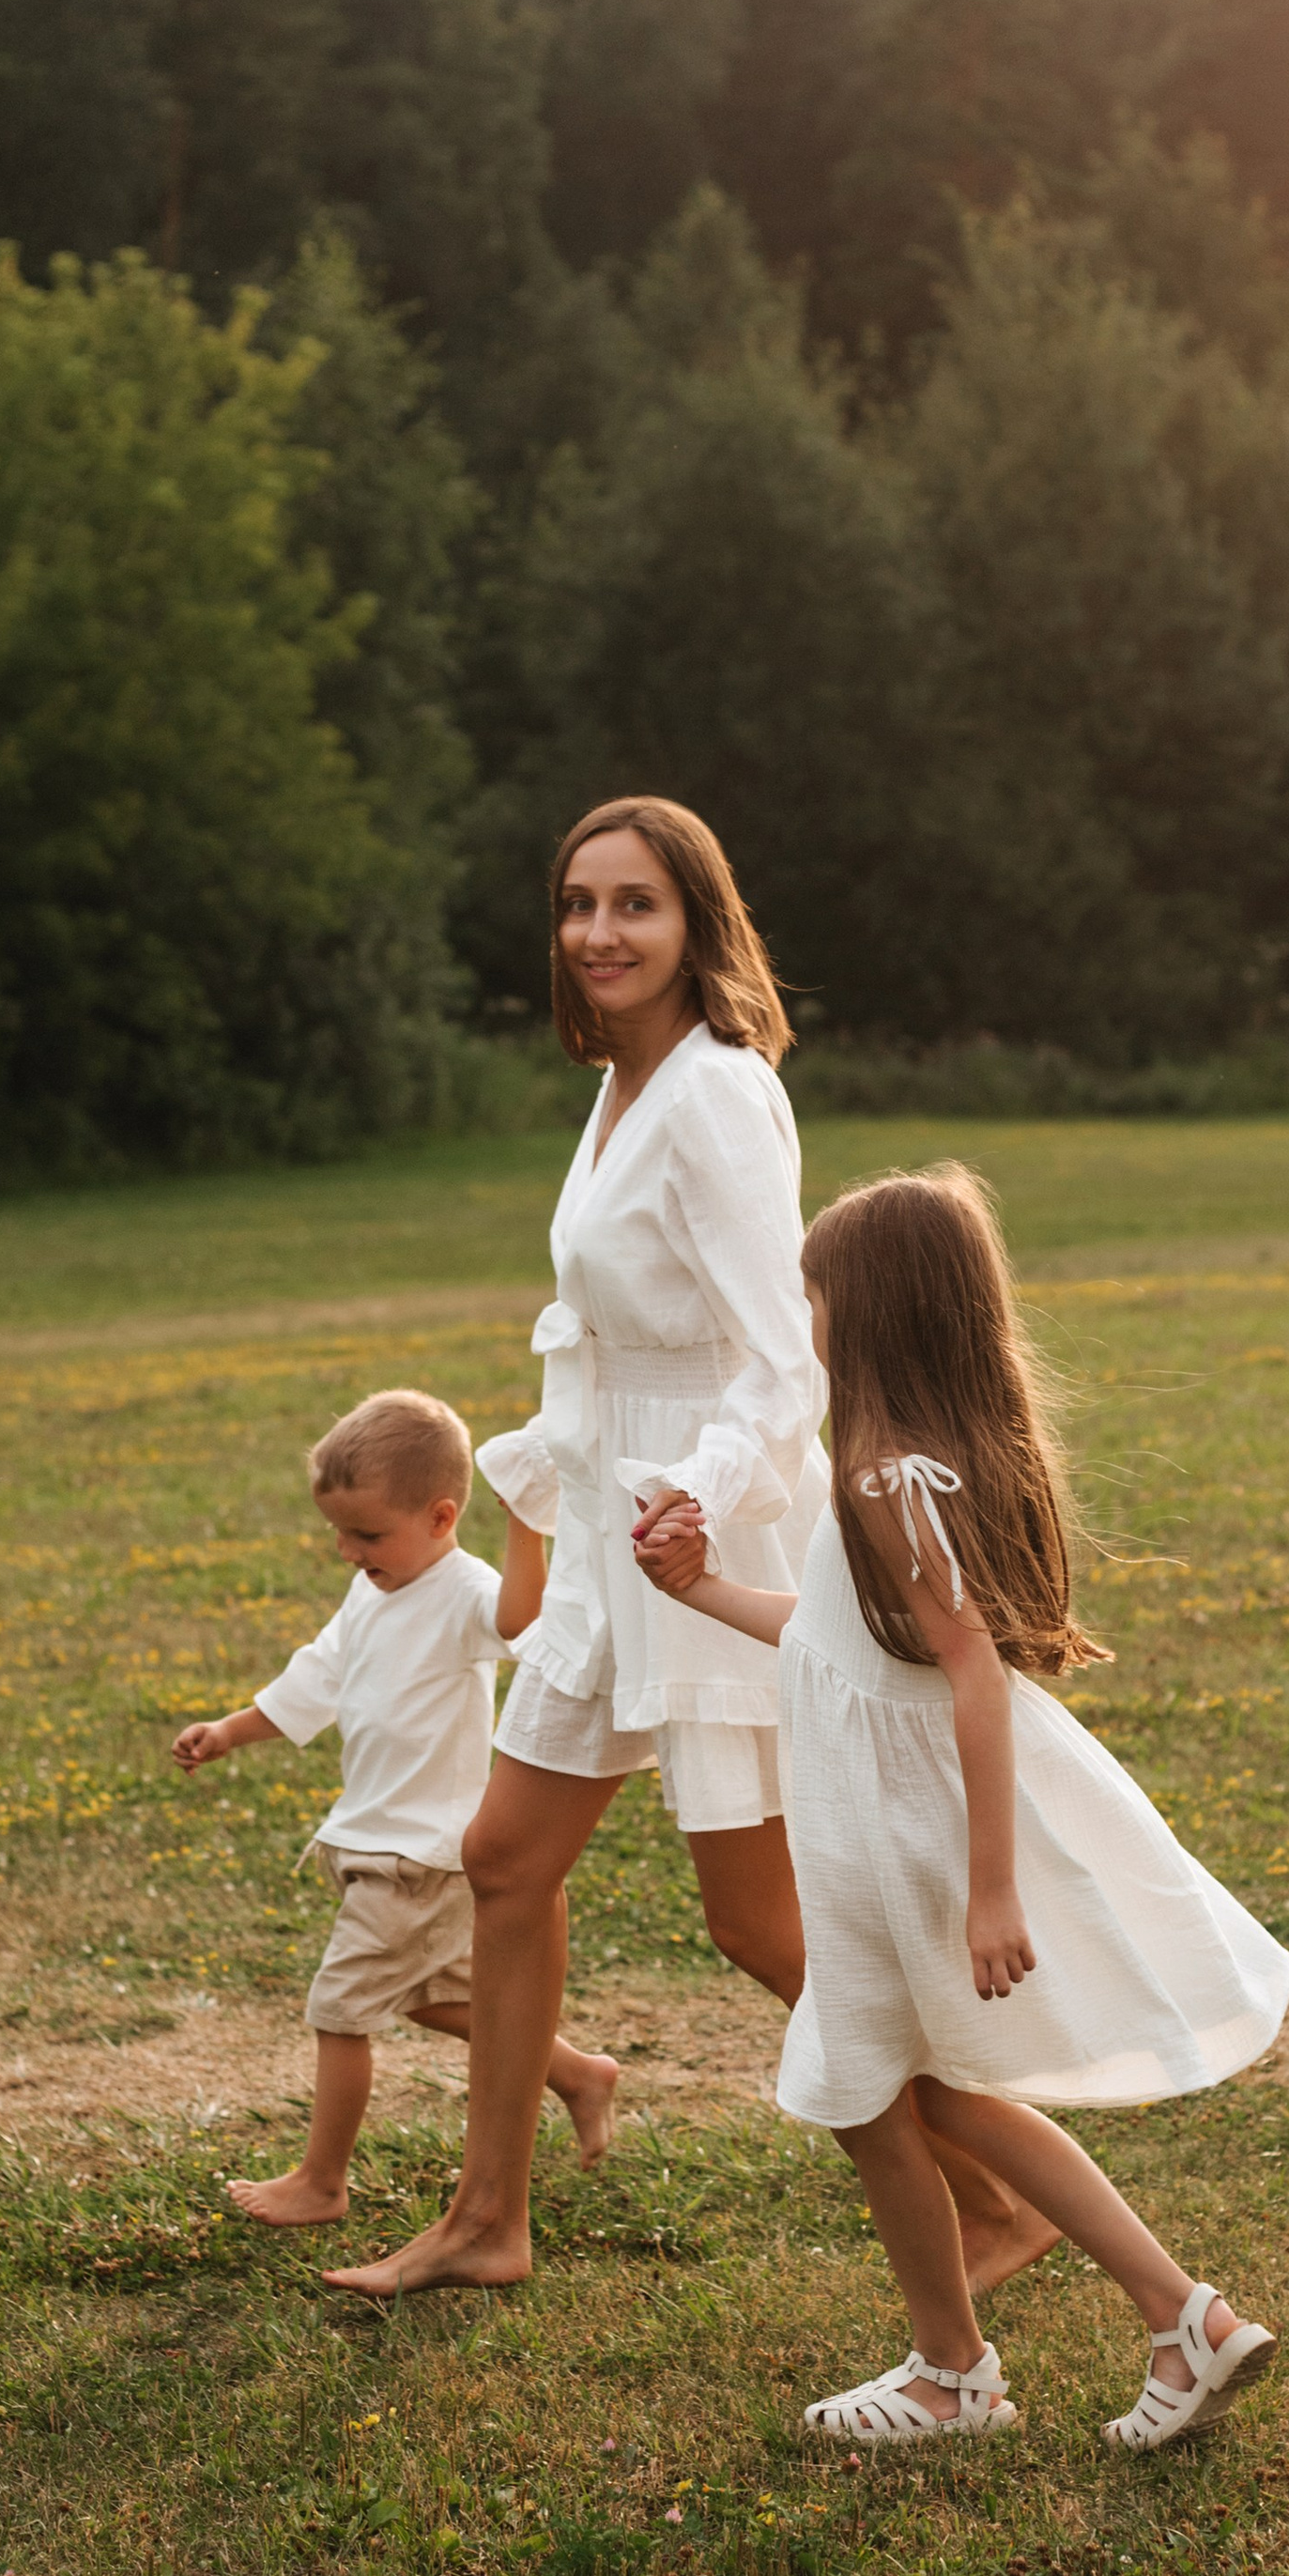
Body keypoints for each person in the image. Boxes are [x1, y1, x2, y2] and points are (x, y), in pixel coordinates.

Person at [325, 798, 1051, 2301]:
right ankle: (489, 2218)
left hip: (689, 1533)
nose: (599, 933)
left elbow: (783, 1355)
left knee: (757, 1923)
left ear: (695, 924)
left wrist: (700, 1500)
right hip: (607, 1540)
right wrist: (552, 1504)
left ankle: (1004, 2188)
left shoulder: (720, 1094)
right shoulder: (619, 1090)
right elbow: (595, 1340)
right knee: (504, 1859)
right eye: (579, 905)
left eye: (634, 905)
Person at [637, 1164, 1289, 2446]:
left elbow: (971, 1668)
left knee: (872, 2085)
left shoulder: (891, 1475)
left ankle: (967, 2373)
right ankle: (1156, 2324)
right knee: (904, 2090)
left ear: (868, 1313)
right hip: (876, 1818)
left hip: (901, 1831)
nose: (806, 1320)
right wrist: (704, 1590)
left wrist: (992, 1886)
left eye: (814, 1296)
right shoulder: (897, 1465)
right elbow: (842, 1642)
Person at [171, 1386, 618, 2228]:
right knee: (431, 1999)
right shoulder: (372, 1590)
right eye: (339, 1531)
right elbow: (319, 1676)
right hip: (391, 1846)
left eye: (368, 1533)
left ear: (444, 1516)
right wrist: (232, 1731)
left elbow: (522, 1623)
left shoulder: (461, 1590)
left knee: (339, 2014)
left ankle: (322, 2182)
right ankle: (575, 2073)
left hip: (414, 1856)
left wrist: (529, 1519)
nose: (347, 1549)